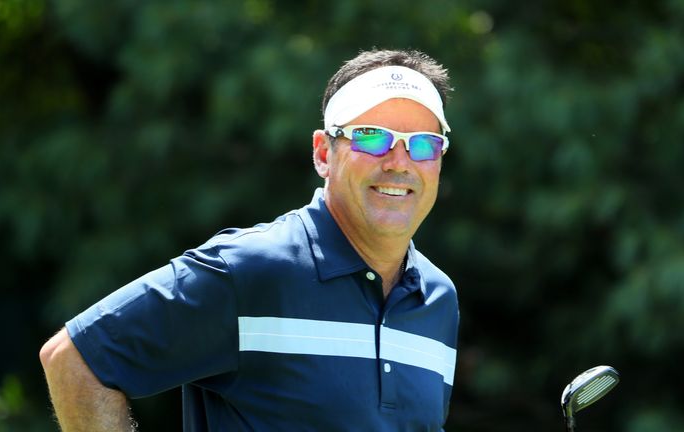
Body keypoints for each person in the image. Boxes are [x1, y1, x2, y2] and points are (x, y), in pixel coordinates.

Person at [40, 48, 459, 431]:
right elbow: (75, 360)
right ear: (323, 153)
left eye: (424, 144)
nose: (399, 162)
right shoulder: (250, 270)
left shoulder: (437, 299)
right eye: (371, 136)